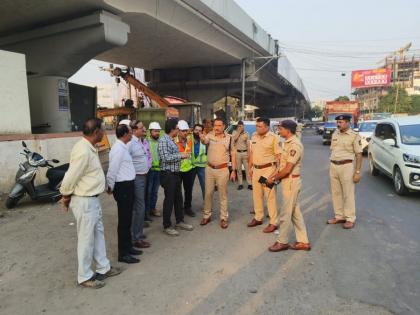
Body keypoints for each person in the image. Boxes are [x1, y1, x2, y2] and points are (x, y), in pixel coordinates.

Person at [60, 118, 121, 289]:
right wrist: (65, 196)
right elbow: (71, 176)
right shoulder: (83, 150)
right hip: (84, 201)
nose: (104, 133)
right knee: (86, 240)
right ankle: (85, 276)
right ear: (96, 132)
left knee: (97, 235)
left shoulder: (89, 147)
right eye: (102, 130)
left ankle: (104, 267)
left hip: (92, 200)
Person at [267, 120, 311, 252]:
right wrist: (274, 176)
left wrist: (273, 179)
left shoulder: (294, 145)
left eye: (280, 129)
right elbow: (282, 166)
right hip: (288, 181)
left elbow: (287, 169)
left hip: (291, 181)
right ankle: (303, 242)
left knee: (286, 213)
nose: (279, 131)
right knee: (294, 212)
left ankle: (282, 242)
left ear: (288, 130)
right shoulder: (287, 143)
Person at [107, 124, 142, 264]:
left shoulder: (123, 147)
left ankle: (128, 247)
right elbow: (112, 169)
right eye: (130, 133)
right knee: (124, 221)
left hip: (127, 185)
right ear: (125, 134)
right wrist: (110, 186)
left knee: (127, 219)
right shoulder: (117, 149)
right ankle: (123, 253)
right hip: (122, 187)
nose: (131, 135)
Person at [158, 119, 194, 236]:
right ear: (172, 129)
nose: (178, 131)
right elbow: (165, 158)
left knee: (178, 198)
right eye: (177, 128)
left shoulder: (170, 140)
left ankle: (179, 221)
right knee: (169, 200)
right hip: (168, 174)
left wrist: (181, 156)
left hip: (175, 173)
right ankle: (167, 225)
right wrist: (181, 155)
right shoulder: (164, 140)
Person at [327, 114, 363, 229]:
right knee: (336, 193)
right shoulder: (335, 133)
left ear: (348, 123)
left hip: (346, 166)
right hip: (333, 165)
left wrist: (357, 172)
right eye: (337, 122)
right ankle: (339, 216)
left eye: (341, 122)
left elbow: (359, 155)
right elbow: (333, 149)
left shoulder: (354, 136)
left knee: (348, 194)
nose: (338, 124)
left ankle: (350, 218)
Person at [199, 118, 236, 229]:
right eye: (215, 125)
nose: (217, 127)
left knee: (223, 194)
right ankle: (207, 215)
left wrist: (233, 170)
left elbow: (233, 154)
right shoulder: (210, 135)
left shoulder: (229, 138)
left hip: (223, 170)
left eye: (219, 125)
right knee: (208, 193)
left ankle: (223, 218)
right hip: (209, 169)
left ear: (224, 126)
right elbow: (204, 141)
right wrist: (201, 138)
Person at [247, 117, 281, 233]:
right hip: (256, 170)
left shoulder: (274, 138)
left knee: (270, 197)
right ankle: (258, 217)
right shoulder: (254, 136)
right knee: (256, 195)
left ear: (267, 127)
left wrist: (274, 175)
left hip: (268, 170)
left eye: (260, 126)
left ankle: (273, 222)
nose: (257, 128)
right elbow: (252, 152)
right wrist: (250, 167)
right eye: (256, 126)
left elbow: (279, 158)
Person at [128, 120, 151, 249]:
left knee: (139, 207)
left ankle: (137, 233)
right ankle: (136, 237)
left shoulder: (140, 141)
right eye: (141, 128)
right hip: (136, 178)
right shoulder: (130, 143)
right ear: (134, 130)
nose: (144, 129)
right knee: (139, 208)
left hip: (143, 176)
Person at [175, 120, 195, 217]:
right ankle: (178, 209)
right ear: (178, 131)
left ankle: (188, 208)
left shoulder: (190, 139)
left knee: (188, 190)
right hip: (178, 170)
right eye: (183, 131)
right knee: (177, 192)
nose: (185, 133)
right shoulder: (174, 141)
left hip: (189, 169)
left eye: (186, 131)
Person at [146, 122, 162, 218]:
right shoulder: (146, 141)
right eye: (155, 131)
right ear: (150, 132)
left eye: (158, 131)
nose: (157, 133)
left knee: (155, 191)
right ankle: (147, 211)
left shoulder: (161, 141)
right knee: (148, 191)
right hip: (150, 170)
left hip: (158, 170)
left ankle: (153, 209)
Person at [232, 120, 252, 190]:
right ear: (237, 126)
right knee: (239, 170)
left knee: (247, 169)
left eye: (241, 126)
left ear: (244, 126)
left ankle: (250, 183)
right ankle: (240, 184)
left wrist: (249, 155)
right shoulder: (234, 132)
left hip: (245, 153)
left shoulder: (246, 133)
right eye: (239, 126)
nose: (240, 127)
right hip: (237, 153)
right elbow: (234, 139)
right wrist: (239, 132)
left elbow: (248, 145)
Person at [191, 123, 207, 199]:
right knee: (189, 187)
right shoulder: (189, 138)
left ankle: (207, 205)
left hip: (202, 166)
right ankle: (188, 206)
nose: (197, 132)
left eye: (200, 131)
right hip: (191, 166)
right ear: (193, 130)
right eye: (196, 130)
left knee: (204, 186)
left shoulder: (205, 139)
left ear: (202, 132)